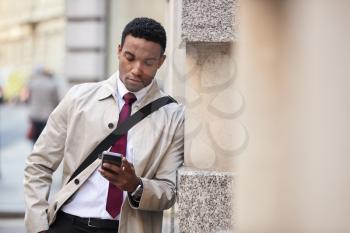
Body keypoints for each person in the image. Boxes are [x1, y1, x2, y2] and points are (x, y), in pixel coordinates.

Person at [24, 17, 184, 233]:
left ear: (161, 62)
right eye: (130, 57)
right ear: (119, 51)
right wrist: (38, 226)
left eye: (148, 62)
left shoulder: (173, 116)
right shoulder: (78, 98)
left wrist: (135, 185)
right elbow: (39, 163)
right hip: (68, 223)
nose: (137, 69)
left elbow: (170, 191)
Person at [27, 68, 59, 143]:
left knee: (35, 137)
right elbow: (56, 101)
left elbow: (29, 99)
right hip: (47, 115)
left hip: (34, 114)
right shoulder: (52, 85)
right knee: (45, 138)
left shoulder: (33, 83)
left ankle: (34, 152)